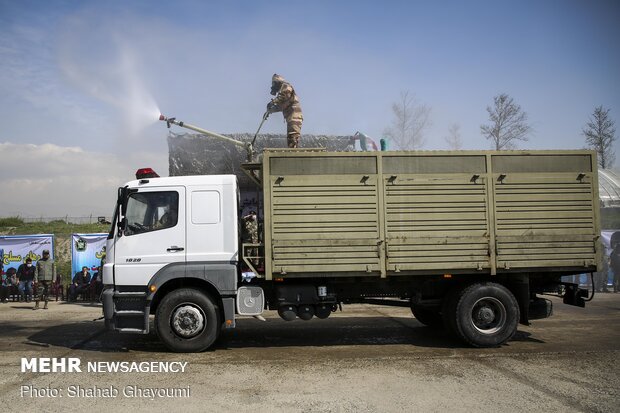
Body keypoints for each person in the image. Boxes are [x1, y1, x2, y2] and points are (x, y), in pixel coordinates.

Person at [267, 73, 303, 148]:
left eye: (274, 84)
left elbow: (283, 97)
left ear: (277, 82)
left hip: (295, 116)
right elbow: (281, 106)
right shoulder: (283, 91)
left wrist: (273, 102)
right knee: (290, 139)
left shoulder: (286, 86)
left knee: (293, 138)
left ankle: (293, 157)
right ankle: (292, 155)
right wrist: (269, 111)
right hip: (291, 117)